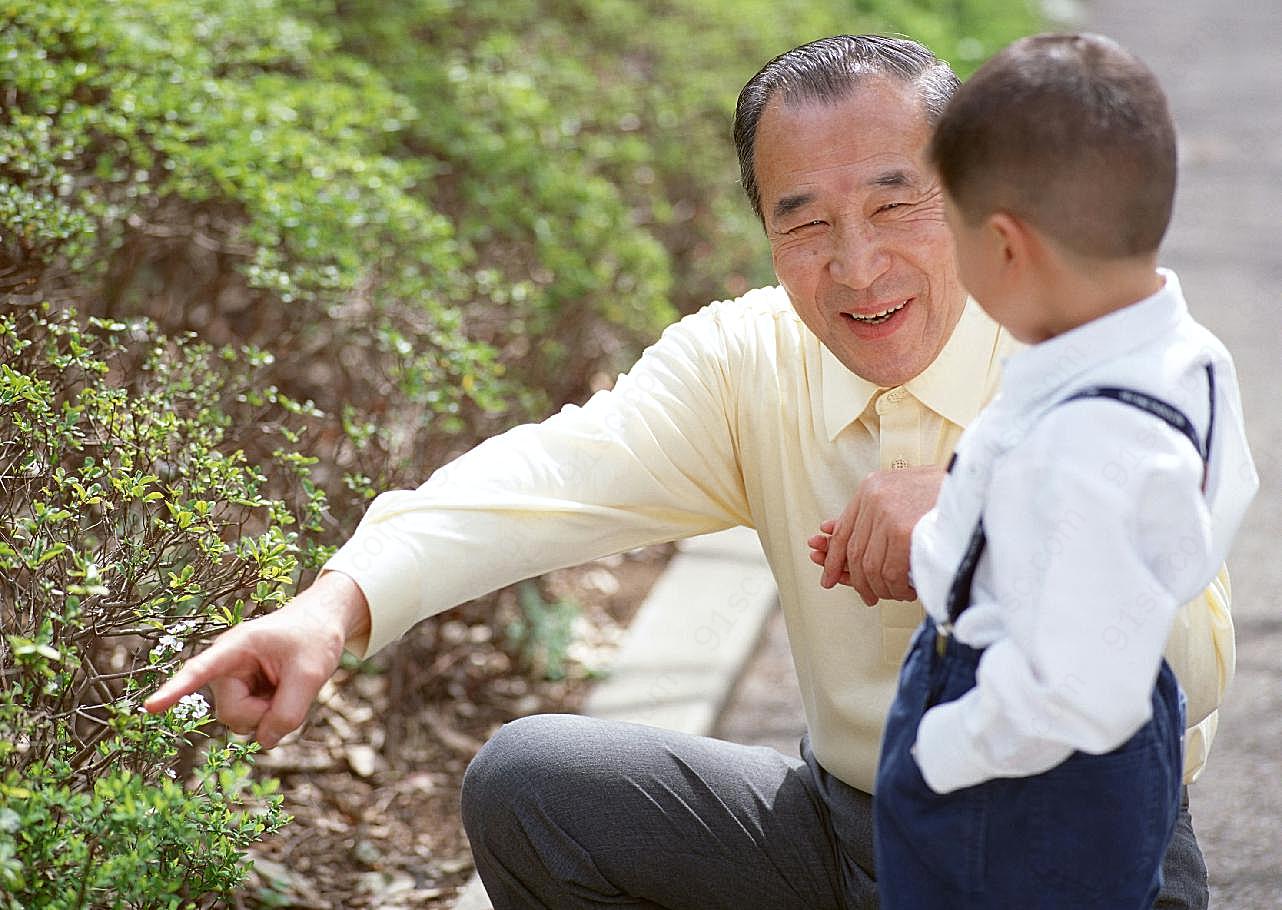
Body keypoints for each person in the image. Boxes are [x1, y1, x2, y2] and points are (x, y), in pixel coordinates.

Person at [145, 35, 1234, 909]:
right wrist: (334, 608)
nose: (856, 267)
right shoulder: (746, 358)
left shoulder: (1096, 349)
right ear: (765, 233)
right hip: (847, 825)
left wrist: (979, 524)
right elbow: (543, 477)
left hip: (1074, 850)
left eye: (896, 206)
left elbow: (1193, 657)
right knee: (533, 790)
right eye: (804, 224)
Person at [859, 33, 1258, 910]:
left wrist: (948, 747)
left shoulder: (1079, 450)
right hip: (1113, 700)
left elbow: (1076, 697)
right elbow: (1227, 491)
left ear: (1005, 245)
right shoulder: (1183, 353)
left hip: (1021, 761)